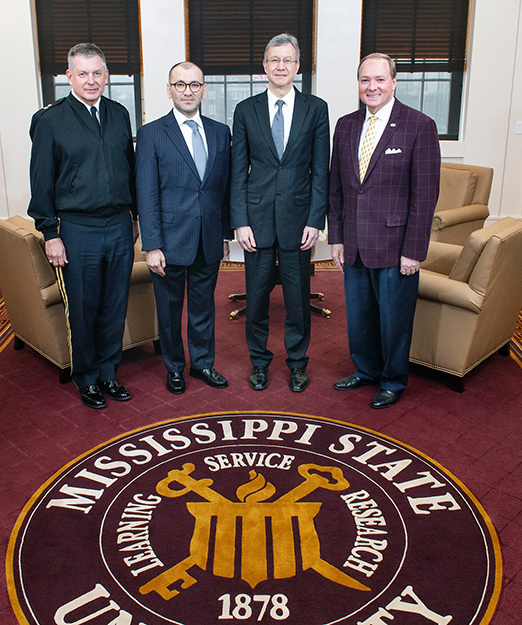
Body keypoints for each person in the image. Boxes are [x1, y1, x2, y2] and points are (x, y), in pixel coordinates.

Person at [27, 43, 139, 409]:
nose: (91, 81)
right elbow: (41, 182)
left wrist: (135, 218)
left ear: (106, 76)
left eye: (97, 73)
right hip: (77, 230)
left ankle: (109, 372)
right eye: (83, 73)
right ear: (68, 77)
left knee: (114, 305)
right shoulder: (49, 121)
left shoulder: (120, 114)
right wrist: (51, 234)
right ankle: (87, 377)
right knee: (84, 307)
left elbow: (131, 170)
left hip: (119, 226)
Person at [328, 52, 441, 409]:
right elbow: (337, 187)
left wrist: (414, 250)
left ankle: (392, 380)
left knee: (394, 319)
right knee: (359, 315)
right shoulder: (345, 125)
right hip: (355, 241)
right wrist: (337, 238)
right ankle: (365, 370)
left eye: (379, 80)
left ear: (393, 82)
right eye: (365, 80)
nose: (371, 87)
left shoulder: (419, 125)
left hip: (396, 245)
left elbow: (424, 196)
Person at [230, 33, 330, 393]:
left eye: (288, 60)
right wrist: (239, 221)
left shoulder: (316, 109)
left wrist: (316, 220)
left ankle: (297, 364)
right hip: (255, 224)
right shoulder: (245, 110)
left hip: (298, 222)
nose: (281, 66)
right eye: (275, 60)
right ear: (265, 66)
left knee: (297, 301)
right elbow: (237, 171)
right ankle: (259, 362)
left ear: (298, 66)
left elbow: (321, 171)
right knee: (256, 300)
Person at [136, 62, 231, 395]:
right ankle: (174, 367)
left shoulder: (221, 132)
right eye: (180, 85)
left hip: (208, 240)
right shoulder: (151, 134)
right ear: (169, 89)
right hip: (169, 242)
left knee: (204, 307)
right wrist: (152, 245)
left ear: (204, 90)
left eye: (194, 85)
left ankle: (202, 363)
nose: (188, 91)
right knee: (170, 310)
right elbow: (146, 193)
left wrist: (224, 234)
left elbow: (224, 188)